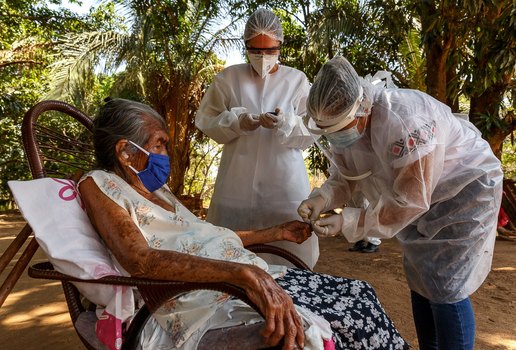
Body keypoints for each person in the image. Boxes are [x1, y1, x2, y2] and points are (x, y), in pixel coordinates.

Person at [78, 98, 409, 350]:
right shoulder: (99, 185)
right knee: (331, 323)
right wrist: (242, 274)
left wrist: (275, 233)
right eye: (159, 143)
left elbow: (204, 236)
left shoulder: (157, 190)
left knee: (359, 294)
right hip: (204, 297)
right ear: (125, 151)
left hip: (243, 275)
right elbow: (142, 261)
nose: (166, 152)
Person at [298, 56, 503, 350]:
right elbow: (348, 175)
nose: (337, 137)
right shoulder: (345, 121)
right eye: (328, 131)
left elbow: (410, 200)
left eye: (340, 128)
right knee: (422, 278)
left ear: (362, 106)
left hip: (465, 191)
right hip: (419, 196)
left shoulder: (406, 120)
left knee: (446, 286)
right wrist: (322, 197)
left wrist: (350, 221)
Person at [195, 8, 319, 268]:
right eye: (256, 50)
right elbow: (206, 120)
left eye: (270, 50)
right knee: (232, 257)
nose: (263, 57)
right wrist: (238, 122)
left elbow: (311, 131)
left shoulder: (296, 80)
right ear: (246, 46)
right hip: (236, 186)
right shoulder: (229, 79)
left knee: (289, 259)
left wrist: (286, 123)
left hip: (284, 187)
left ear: (280, 46)